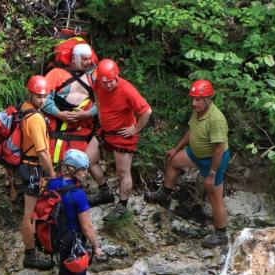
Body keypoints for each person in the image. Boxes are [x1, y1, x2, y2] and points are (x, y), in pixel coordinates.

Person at [145, 80, 231, 248]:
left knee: (215, 197)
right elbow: (191, 131)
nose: (194, 103)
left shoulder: (216, 119)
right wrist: (176, 149)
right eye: (193, 99)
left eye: (198, 99)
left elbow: (219, 149)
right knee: (173, 161)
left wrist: (211, 174)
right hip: (195, 154)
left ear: (207, 99)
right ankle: (164, 193)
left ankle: (221, 234)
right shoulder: (198, 111)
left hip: (213, 160)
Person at [86, 59, 153, 220]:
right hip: (105, 131)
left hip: (123, 134)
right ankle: (104, 192)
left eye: (111, 81)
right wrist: (101, 114)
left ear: (117, 76)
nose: (108, 85)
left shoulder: (127, 90)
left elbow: (147, 112)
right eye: (105, 82)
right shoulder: (98, 83)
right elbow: (96, 91)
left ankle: (122, 206)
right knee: (87, 160)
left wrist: (135, 129)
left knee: (123, 172)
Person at [47, 149, 102, 275]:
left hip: (57, 236)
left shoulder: (52, 184)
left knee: (64, 259)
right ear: (72, 169)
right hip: (74, 240)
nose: (86, 173)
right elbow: (86, 227)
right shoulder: (78, 195)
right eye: (83, 169)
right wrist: (95, 246)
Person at [19, 75, 57, 270]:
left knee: (31, 211)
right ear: (30, 94)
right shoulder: (35, 118)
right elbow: (42, 152)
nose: (42, 100)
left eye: (44, 96)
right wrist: (51, 175)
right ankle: (30, 255)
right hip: (33, 167)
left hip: (26, 165)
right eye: (38, 96)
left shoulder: (24, 109)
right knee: (30, 213)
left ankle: (36, 246)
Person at [43, 43, 97, 167]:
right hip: (54, 128)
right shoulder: (56, 74)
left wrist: (88, 114)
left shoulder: (94, 77)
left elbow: (104, 104)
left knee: (75, 169)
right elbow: (43, 98)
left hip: (80, 132)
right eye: (84, 59)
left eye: (89, 58)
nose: (88, 62)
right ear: (74, 58)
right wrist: (59, 113)